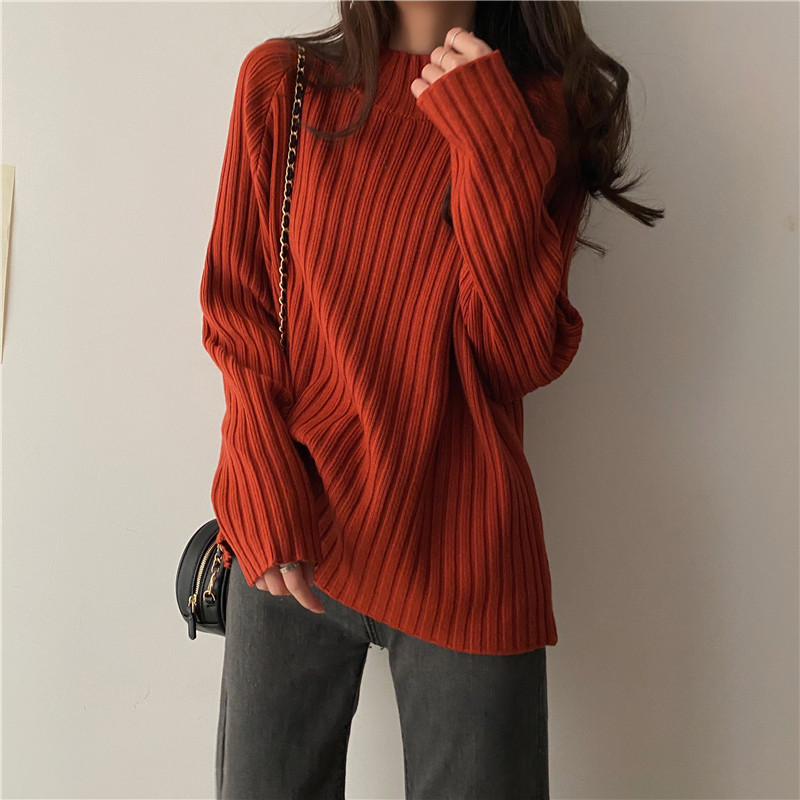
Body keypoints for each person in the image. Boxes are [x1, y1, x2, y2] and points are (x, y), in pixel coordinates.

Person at [199, 2, 664, 798]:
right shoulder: (285, 83)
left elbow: (514, 354)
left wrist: (490, 137)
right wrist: (259, 475)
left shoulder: (539, 110)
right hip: (291, 532)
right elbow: (239, 315)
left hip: (469, 550)